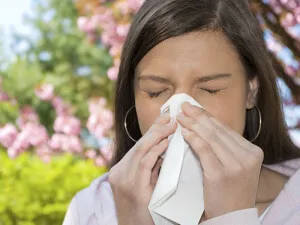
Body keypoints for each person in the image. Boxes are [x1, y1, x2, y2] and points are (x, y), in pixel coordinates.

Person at [63, 0, 300, 224]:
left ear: (251, 91)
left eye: (210, 89)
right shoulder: (92, 210)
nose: (181, 112)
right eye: (155, 91)